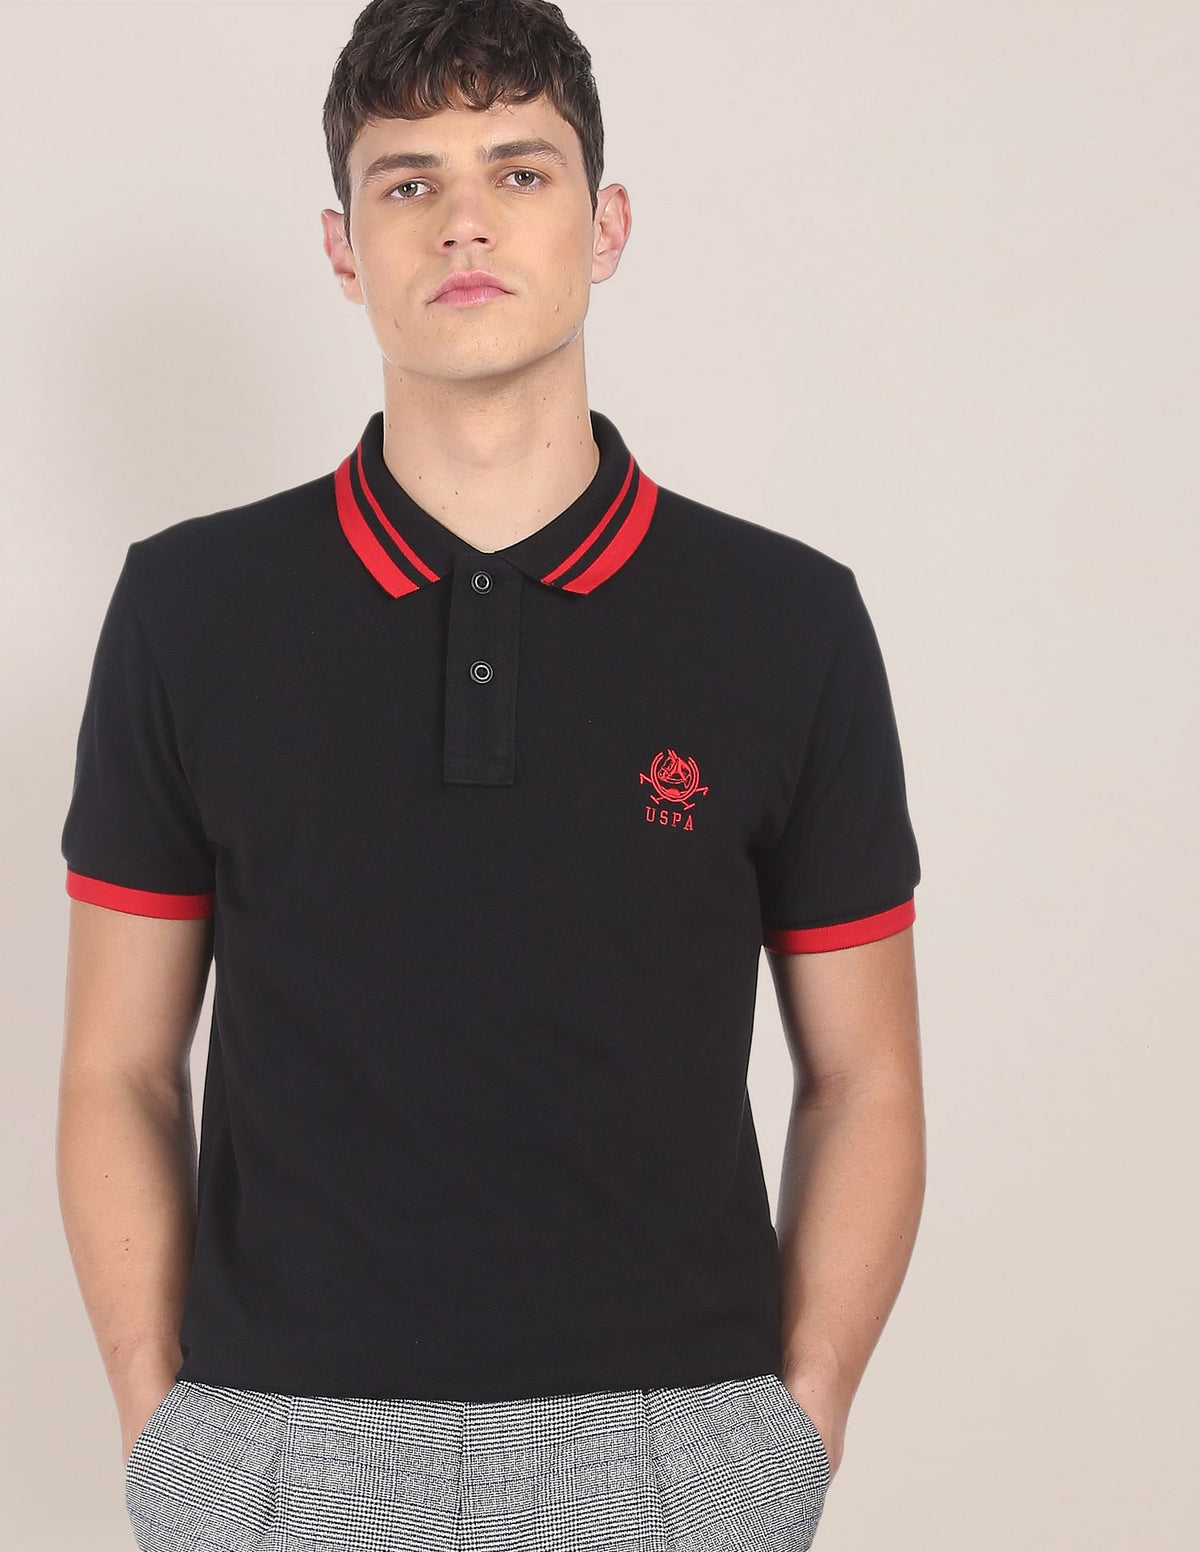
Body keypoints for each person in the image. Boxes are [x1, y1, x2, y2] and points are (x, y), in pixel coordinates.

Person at [56, 2, 925, 1548]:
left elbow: (865, 1076)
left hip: (675, 1451)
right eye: (410, 182)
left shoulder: (785, 620)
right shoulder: (190, 610)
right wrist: (161, 1420)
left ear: (608, 223)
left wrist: (795, 1420)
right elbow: (117, 1066)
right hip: (276, 1453)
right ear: (344, 247)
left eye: (519, 172)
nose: (464, 221)